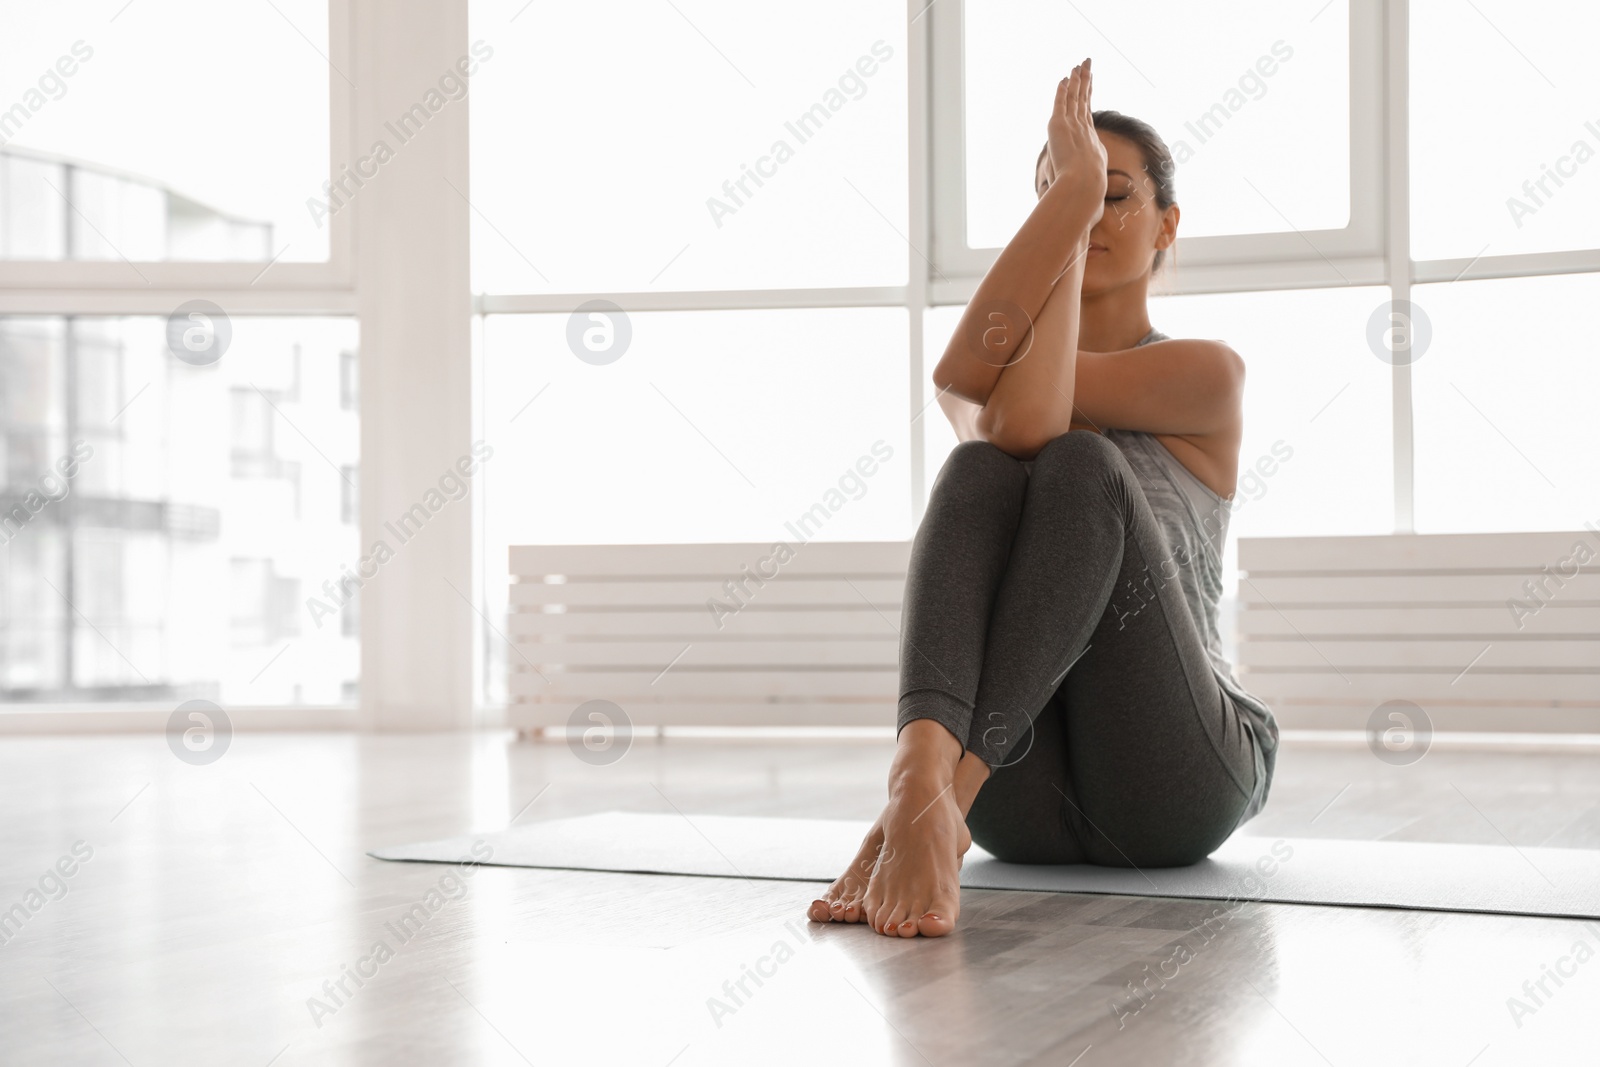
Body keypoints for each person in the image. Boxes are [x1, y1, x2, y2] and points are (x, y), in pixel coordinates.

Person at [807, 58, 1279, 938]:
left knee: (1077, 465)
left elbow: (1034, 418)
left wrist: (1065, 215)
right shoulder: (986, 381)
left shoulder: (1208, 373)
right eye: (1064, 190)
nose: (1089, 210)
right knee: (976, 471)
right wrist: (1067, 211)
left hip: (1175, 776)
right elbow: (999, 414)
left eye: (1113, 194)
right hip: (1019, 798)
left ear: (1168, 224)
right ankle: (919, 787)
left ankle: (933, 806)